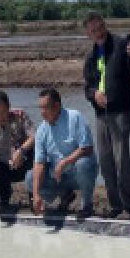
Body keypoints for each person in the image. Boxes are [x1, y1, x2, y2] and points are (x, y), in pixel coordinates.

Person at [83, 12, 130, 219]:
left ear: (104, 25)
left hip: (120, 112)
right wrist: (94, 95)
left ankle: (129, 209)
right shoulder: (91, 57)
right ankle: (115, 206)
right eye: (92, 30)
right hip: (101, 115)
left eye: (99, 27)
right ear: (88, 33)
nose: (97, 32)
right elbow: (87, 88)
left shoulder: (121, 43)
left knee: (122, 160)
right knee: (106, 162)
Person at [27, 88, 98, 218]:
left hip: (77, 173)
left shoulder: (75, 117)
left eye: (45, 108)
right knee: (30, 177)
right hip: (58, 176)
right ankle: (65, 195)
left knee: (84, 163)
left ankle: (87, 204)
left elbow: (88, 148)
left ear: (57, 106)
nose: (42, 113)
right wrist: (36, 195)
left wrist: (66, 161)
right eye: (40, 108)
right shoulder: (41, 130)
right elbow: (39, 163)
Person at [0, 90, 35, 212]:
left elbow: (33, 137)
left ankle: (33, 194)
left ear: (8, 107)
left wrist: (21, 151)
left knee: (36, 153)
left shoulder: (20, 115)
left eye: (3, 113)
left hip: (24, 160)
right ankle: (4, 197)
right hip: (5, 165)